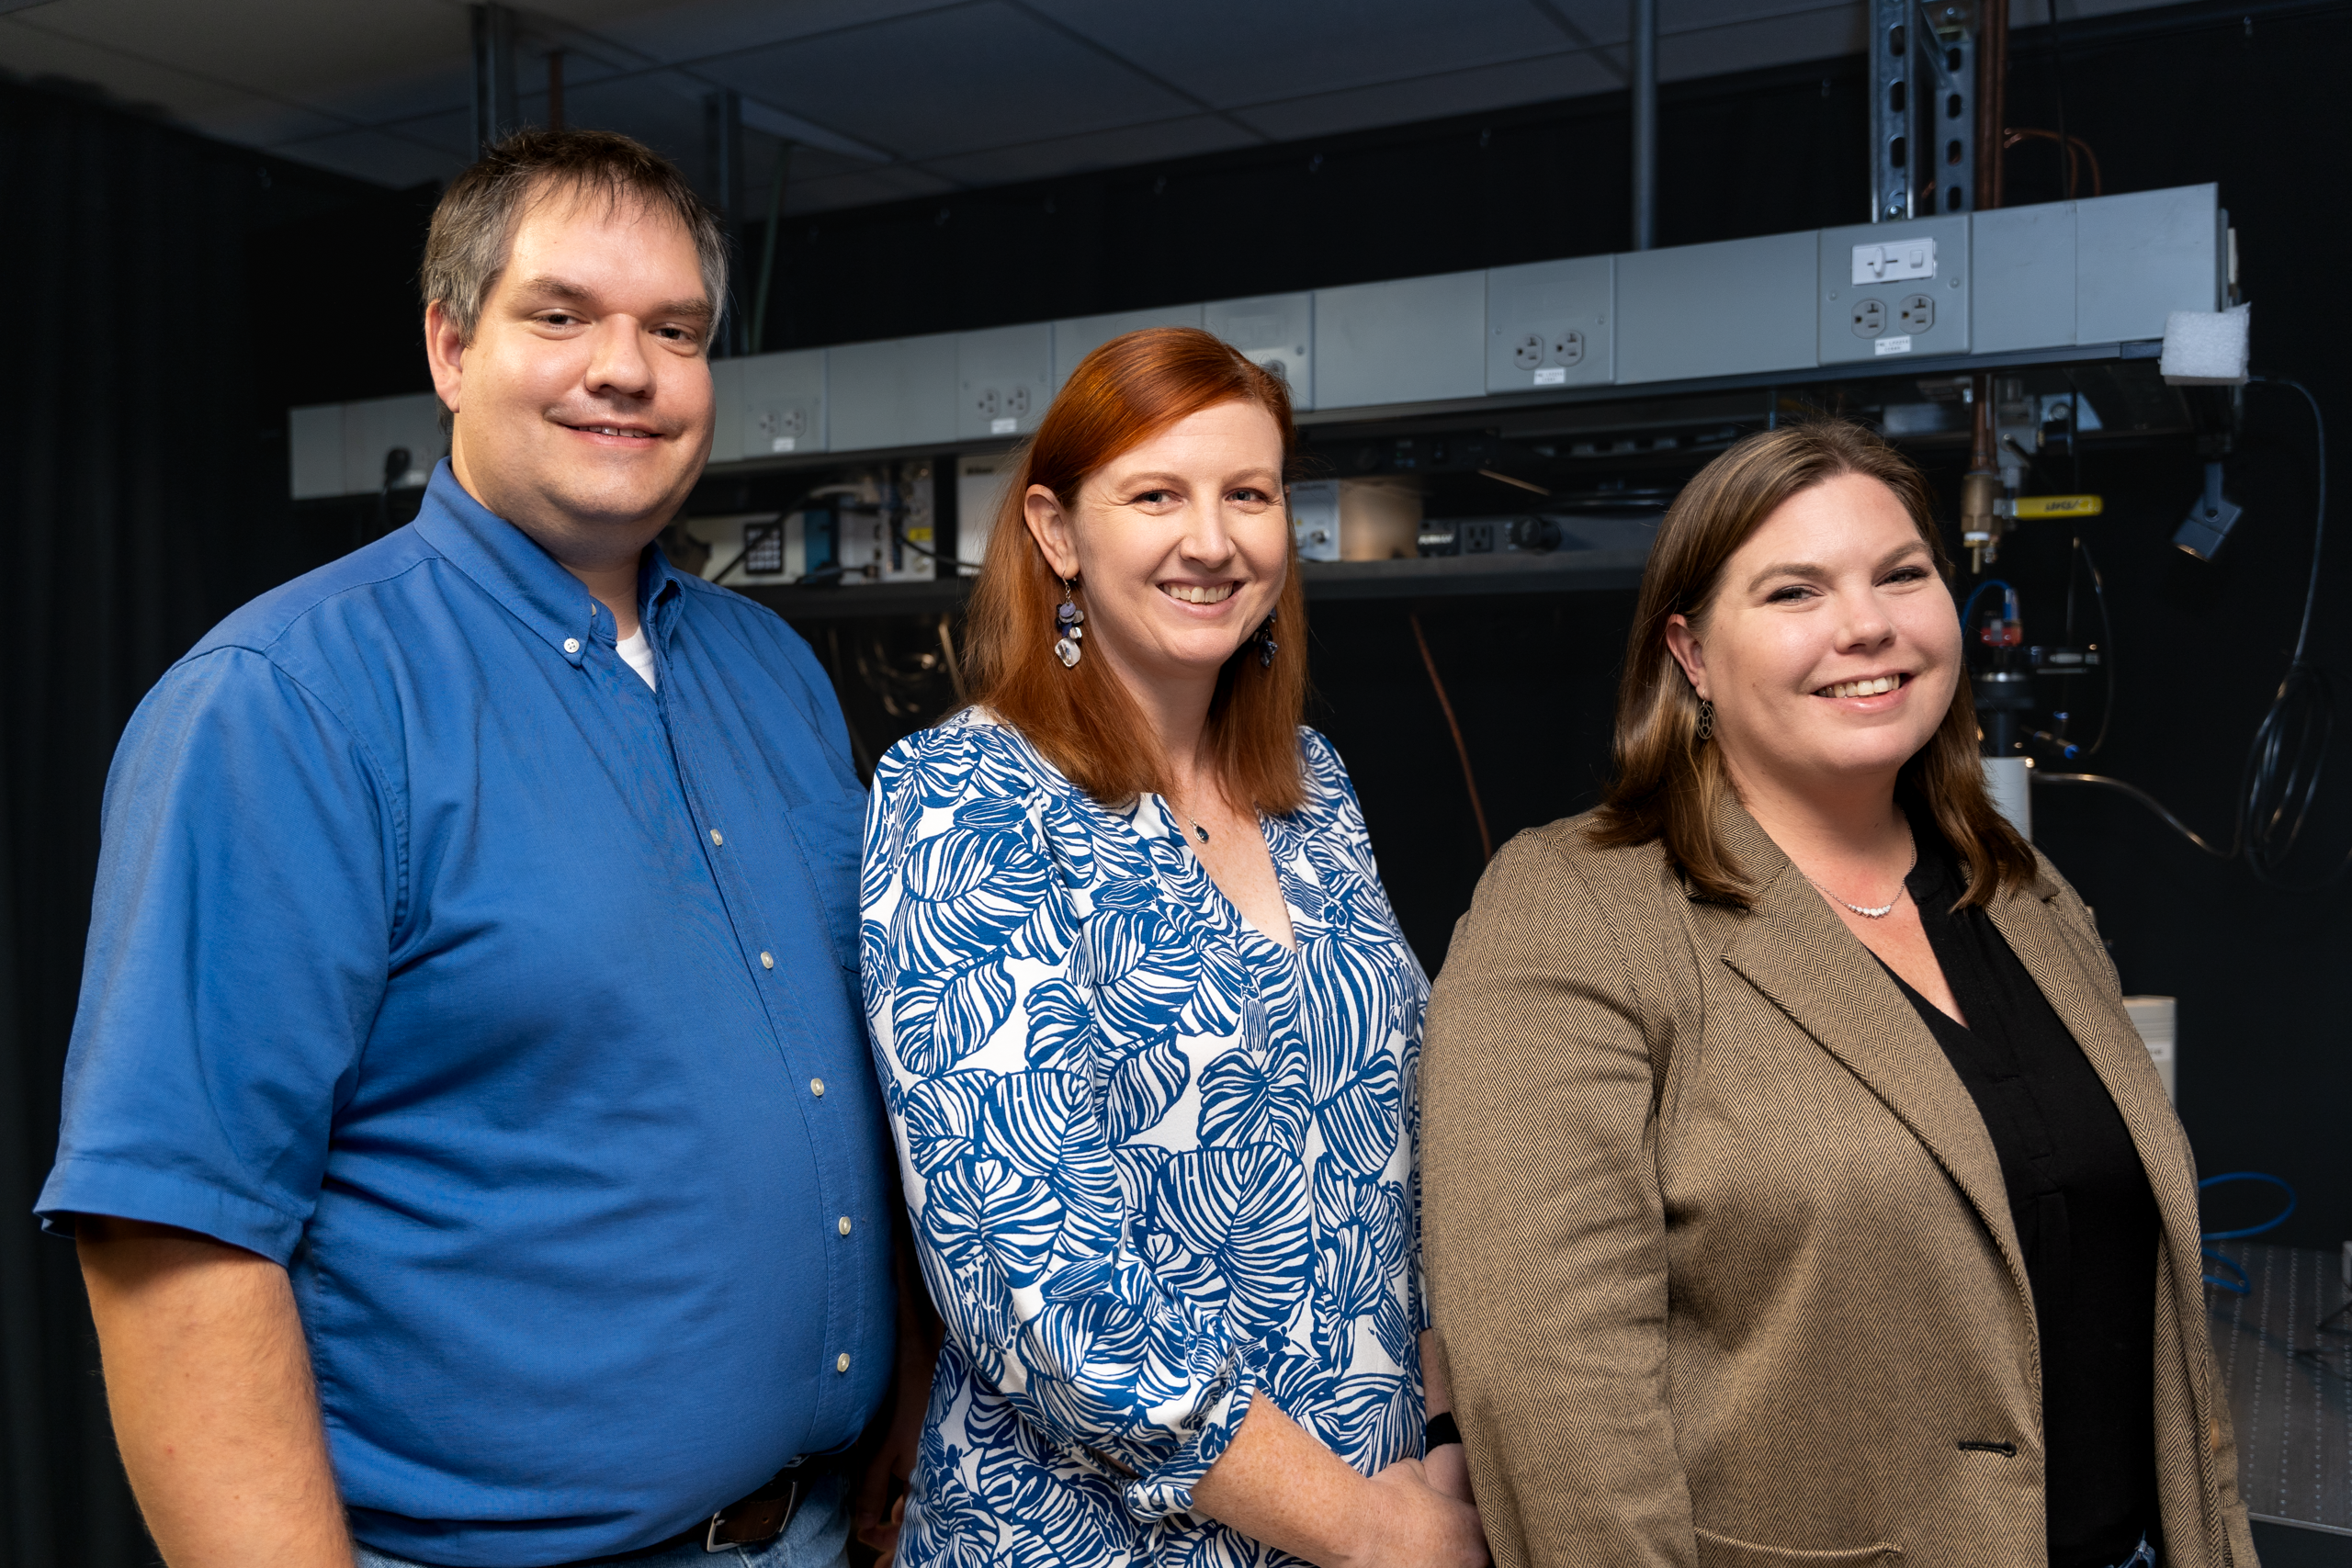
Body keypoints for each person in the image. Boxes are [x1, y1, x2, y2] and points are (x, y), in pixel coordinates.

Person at [38, 129, 925, 1568]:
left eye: (674, 330)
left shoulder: (774, 674)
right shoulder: (288, 704)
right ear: (451, 347)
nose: (625, 368)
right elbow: (173, 1245)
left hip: (816, 1526)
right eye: (561, 314)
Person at [1420, 421, 2256, 1568]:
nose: (1866, 624)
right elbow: (1549, 1385)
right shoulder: (1578, 908)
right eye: (1793, 591)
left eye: (1901, 575)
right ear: (1692, 653)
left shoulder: (2021, 893)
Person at [856, 327, 1487, 1568]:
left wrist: (1447, 1426)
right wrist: (1358, 1524)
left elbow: (1391, 1163)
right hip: (1099, 1541)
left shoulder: (1314, 784)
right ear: (1056, 531)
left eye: (1247, 493)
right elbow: (1038, 1288)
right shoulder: (964, 797)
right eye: (1157, 494)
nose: (1213, 538)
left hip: (1393, 1503)